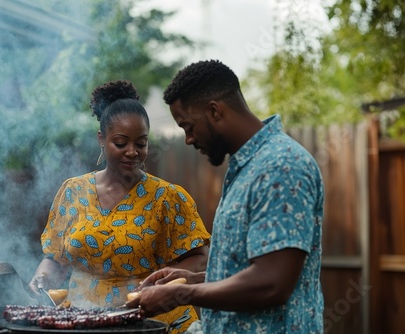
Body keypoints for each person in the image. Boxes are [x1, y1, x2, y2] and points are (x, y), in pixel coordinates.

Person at [125, 60, 325, 333]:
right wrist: (194, 279)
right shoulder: (247, 168)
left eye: (189, 127)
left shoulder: (280, 166)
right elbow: (249, 269)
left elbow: (272, 283)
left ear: (215, 111)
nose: (188, 139)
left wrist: (179, 296)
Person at [28, 80, 211, 333]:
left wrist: (162, 283)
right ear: (101, 139)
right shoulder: (73, 192)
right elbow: (55, 259)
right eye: (121, 143)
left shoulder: (167, 198)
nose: (132, 152)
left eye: (141, 143)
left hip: (153, 323)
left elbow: (199, 258)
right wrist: (43, 277)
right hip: (84, 319)